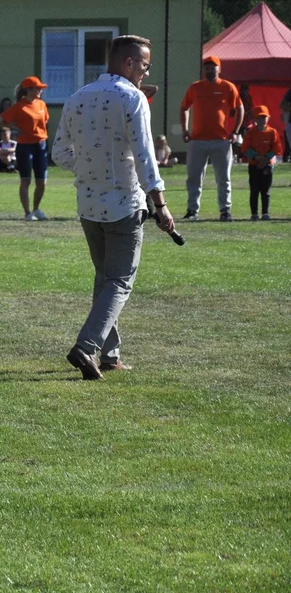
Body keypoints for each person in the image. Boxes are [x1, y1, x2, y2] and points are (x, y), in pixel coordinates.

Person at [52, 34, 175, 381]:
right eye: (144, 66)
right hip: (124, 203)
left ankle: (109, 354)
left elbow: (60, 154)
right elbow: (145, 155)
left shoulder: (77, 97)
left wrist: (91, 166)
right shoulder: (133, 98)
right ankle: (87, 345)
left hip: (88, 204)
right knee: (120, 282)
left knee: (105, 280)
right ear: (129, 63)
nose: (145, 74)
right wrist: (161, 204)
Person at [180, 55, 244, 221]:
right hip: (197, 140)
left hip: (221, 140)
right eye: (207, 67)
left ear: (219, 69)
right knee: (194, 177)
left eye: (213, 67)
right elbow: (184, 107)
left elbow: (240, 108)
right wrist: (185, 130)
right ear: (204, 70)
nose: (210, 70)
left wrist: (235, 131)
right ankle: (192, 211)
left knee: (223, 178)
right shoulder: (195, 88)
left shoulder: (228, 87)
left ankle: (225, 211)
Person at [0, 76, 51, 221]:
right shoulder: (19, 107)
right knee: (26, 180)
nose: (40, 90)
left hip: (41, 145)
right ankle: (27, 213)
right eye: (37, 88)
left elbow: (45, 122)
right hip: (25, 146)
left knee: (42, 181)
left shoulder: (41, 105)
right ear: (29, 89)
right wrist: (15, 128)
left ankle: (36, 209)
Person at [241, 105, 282, 220]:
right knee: (254, 190)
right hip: (254, 165)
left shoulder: (272, 132)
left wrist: (266, 159)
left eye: (264, 117)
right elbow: (245, 148)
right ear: (255, 119)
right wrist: (256, 157)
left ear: (268, 118)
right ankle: (254, 214)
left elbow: (277, 148)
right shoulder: (250, 133)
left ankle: (265, 213)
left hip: (267, 166)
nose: (262, 120)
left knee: (266, 191)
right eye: (259, 117)